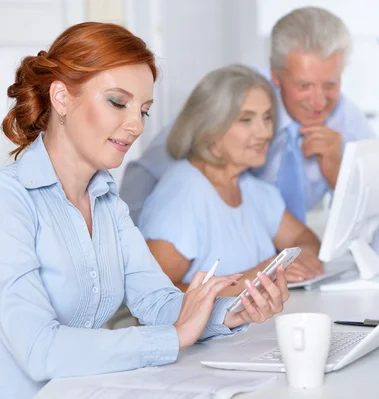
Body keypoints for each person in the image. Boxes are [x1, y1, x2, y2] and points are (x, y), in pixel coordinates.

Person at [0, 22, 289, 399]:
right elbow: (39, 350)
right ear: (61, 98)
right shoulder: (10, 201)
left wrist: (229, 313)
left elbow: (156, 301)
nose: (135, 125)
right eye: (117, 102)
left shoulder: (106, 201)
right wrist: (172, 338)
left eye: (144, 110)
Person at [120, 6, 379, 252]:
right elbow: (149, 170)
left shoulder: (349, 124)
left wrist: (338, 174)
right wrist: (131, 255)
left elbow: (376, 231)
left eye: (330, 84)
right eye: (304, 86)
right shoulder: (239, 96)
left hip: (269, 263)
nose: (319, 102)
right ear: (276, 75)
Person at [138, 65, 323, 290]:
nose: (265, 132)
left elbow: (304, 239)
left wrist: (302, 260)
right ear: (210, 127)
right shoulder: (182, 194)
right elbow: (151, 302)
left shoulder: (253, 189)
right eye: (246, 120)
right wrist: (255, 277)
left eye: (267, 117)